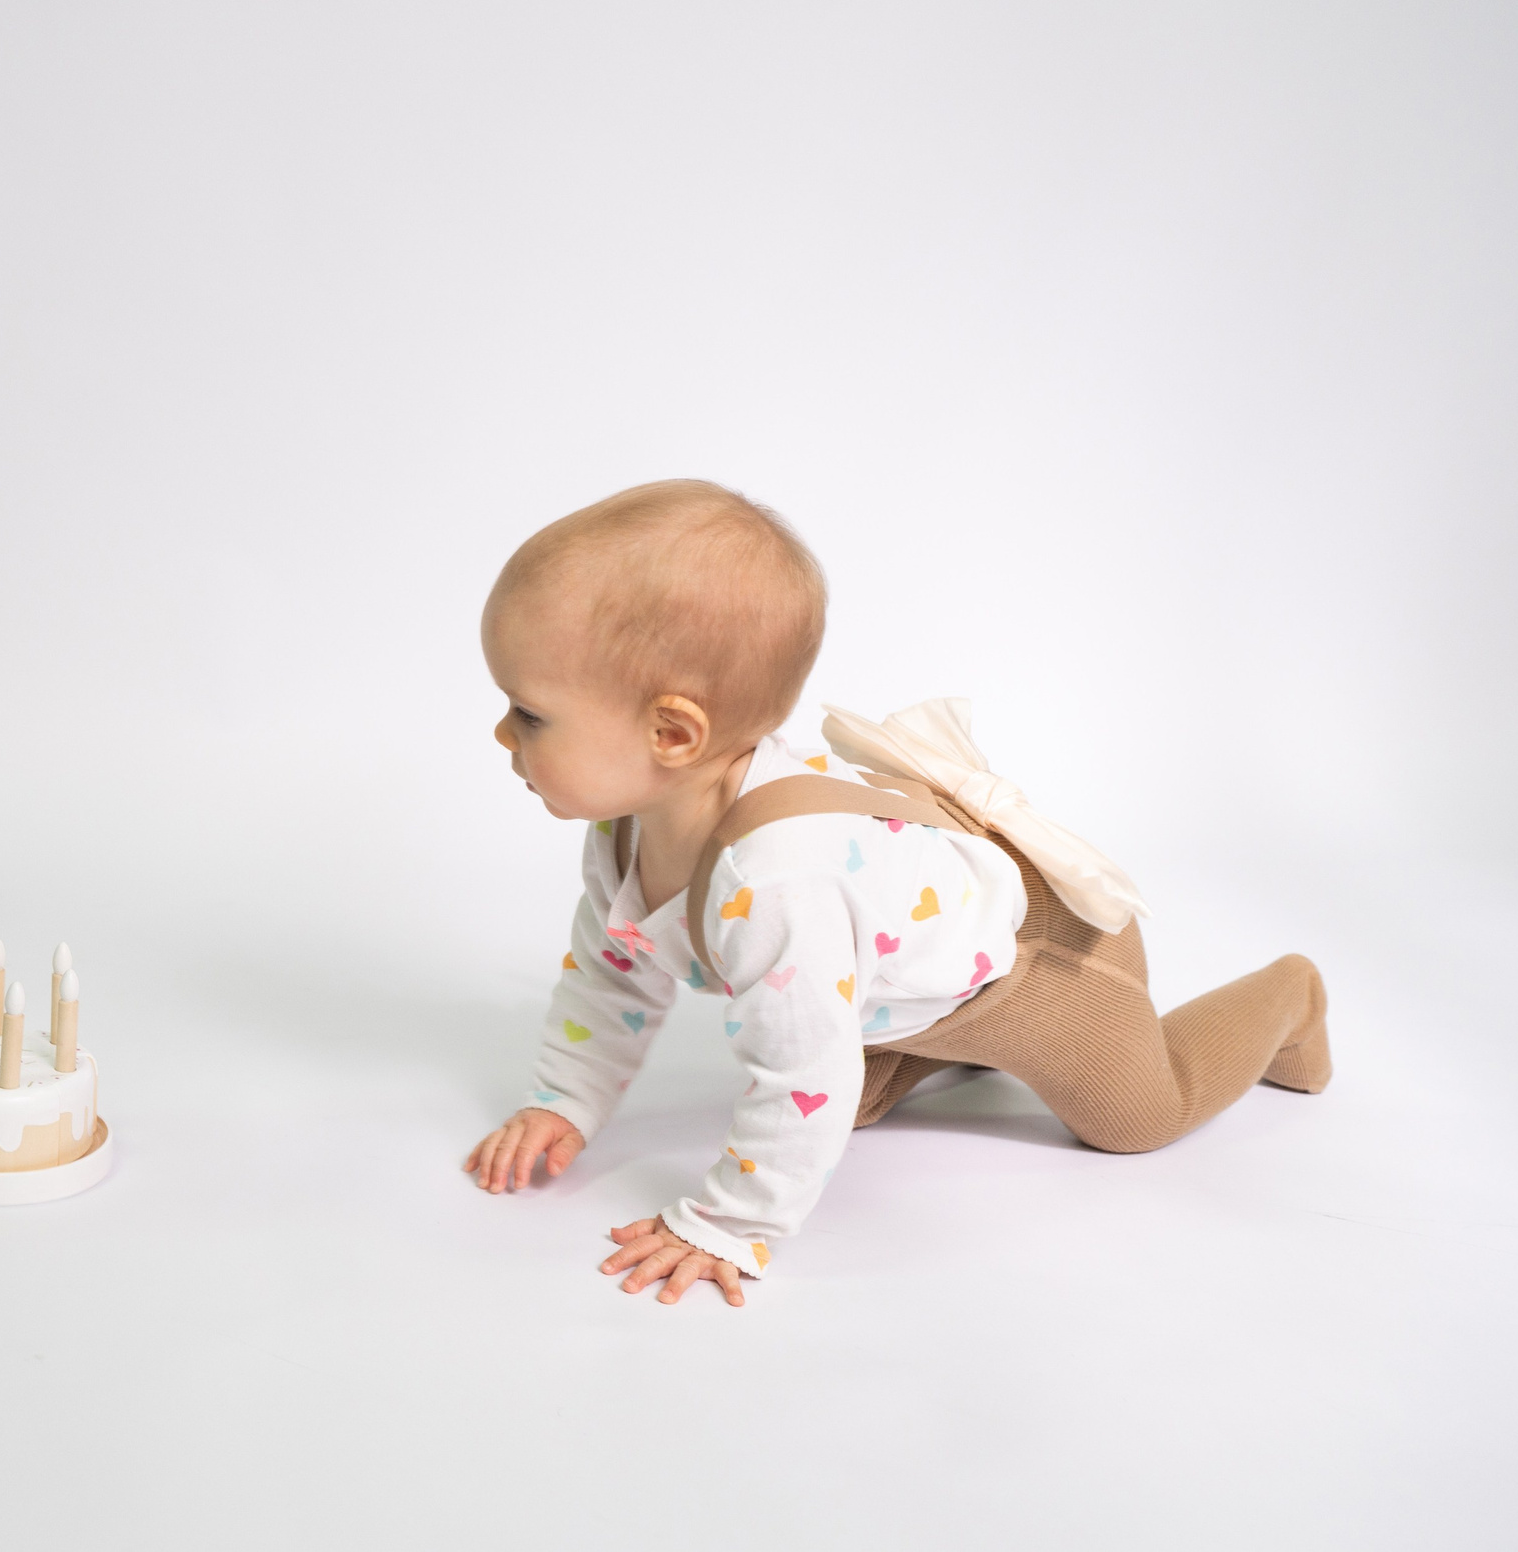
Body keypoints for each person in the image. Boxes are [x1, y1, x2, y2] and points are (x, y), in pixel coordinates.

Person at [463, 480, 1331, 1307]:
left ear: (673, 733)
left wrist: (730, 1226)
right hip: (910, 938)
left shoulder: (774, 882)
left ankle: (1291, 999)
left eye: (529, 713)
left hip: (1047, 958)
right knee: (843, 1092)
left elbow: (803, 1073)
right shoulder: (626, 827)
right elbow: (613, 974)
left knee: (1137, 1116)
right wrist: (564, 1101)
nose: (502, 731)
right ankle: (941, 1048)